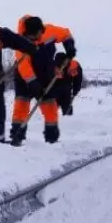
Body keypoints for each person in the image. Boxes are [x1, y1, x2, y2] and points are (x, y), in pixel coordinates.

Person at [9, 14, 77, 145]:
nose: (38, 38)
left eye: (39, 34)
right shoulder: (20, 43)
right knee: (21, 107)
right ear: (26, 34)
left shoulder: (49, 31)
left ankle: (52, 139)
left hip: (46, 76)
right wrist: (34, 85)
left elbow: (65, 33)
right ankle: (17, 136)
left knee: (50, 108)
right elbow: (25, 68)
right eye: (33, 37)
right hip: (25, 79)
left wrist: (69, 46)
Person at [51, 51, 84, 116]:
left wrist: (76, 89)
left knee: (66, 109)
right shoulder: (52, 66)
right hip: (55, 90)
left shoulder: (73, 65)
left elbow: (78, 78)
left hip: (65, 90)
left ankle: (67, 122)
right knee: (52, 110)